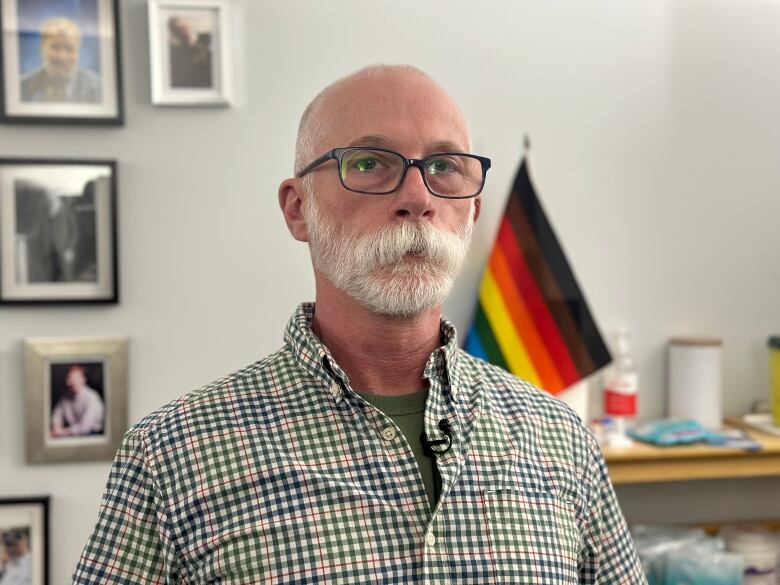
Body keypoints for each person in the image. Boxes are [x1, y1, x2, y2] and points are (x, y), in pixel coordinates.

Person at [73, 65, 647, 583]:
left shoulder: (560, 439)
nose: (418, 197)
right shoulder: (173, 455)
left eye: (445, 166)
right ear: (298, 209)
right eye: (370, 163)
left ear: (471, 211)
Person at [20, 17, 101, 103]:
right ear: (42, 48)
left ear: (78, 52)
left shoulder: (97, 89)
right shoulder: (21, 87)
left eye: (69, 49)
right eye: (55, 47)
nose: (61, 57)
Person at [51, 364, 104, 437]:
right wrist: (56, 427)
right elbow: (57, 415)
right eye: (70, 378)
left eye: (76, 378)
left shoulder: (92, 397)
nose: (72, 381)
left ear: (83, 379)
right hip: (72, 434)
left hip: (92, 435)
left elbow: (85, 427)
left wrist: (62, 432)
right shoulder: (65, 397)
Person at [168, 16, 212, 88]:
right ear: (175, 33)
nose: (184, 32)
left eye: (184, 27)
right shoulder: (177, 53)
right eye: (179, 30)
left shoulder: (207, 41)